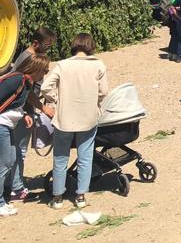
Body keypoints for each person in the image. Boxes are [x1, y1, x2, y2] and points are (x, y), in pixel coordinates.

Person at [41, 33, 109, 209]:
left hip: (64, 118)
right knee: (85, 157)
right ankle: (80, 196)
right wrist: (96, 104)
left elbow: (45, 87)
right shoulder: (98, 65)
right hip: (87, 118)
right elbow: (103, 92)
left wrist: (54, 100)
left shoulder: (62, 65)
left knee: (60, 157)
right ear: (90, 46)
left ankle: (57, 197)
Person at [0, 54, 50, 216]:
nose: (46, 73)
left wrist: (24, 115)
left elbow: (13, 103)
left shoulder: (26, 83)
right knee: (5, 163)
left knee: (11, 159)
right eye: (45, 70)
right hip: (2, 125)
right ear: (36, 69)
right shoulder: (17, 80)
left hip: (7, 124)